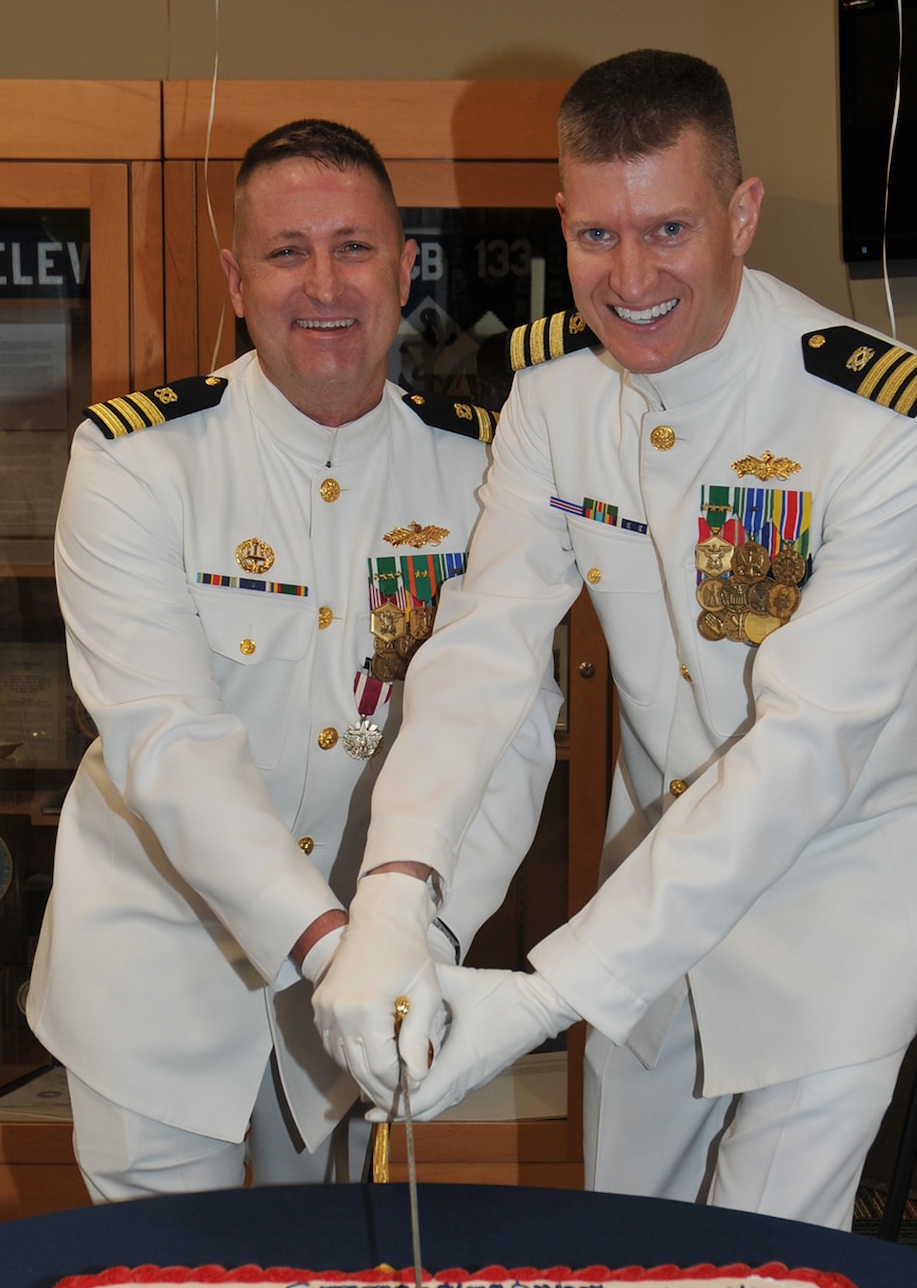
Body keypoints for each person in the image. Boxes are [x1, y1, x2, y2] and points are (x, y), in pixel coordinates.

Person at [314, 50, 917, 1232]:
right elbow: (484, 661)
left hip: (834, 890)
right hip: (653, 869)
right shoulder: (554, 396)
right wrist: (401, 895)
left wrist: (547, 989)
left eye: (668, 227)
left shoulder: (887, 419)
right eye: (596, 236)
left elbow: (807, 748)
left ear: (742, 211)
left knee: (756, 1272)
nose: (630, 276)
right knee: (623, 1239)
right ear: (560, 223)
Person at [28, 120, 557, 1201]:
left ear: (406, 267)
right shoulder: (138, 464)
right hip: (157, 970)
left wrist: (419, 934)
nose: (324, 284)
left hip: (367, 957)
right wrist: (331, 947)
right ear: (236, 276)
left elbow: (507, 736)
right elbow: (166, 739)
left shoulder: (485, 474)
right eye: (286, 252)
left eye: (355, 247)